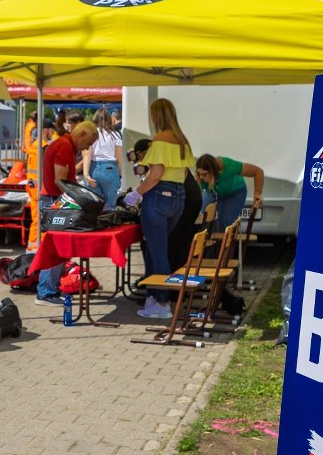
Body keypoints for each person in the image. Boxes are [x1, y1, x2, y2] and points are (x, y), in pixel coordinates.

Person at [122, 99, 196, 320]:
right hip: (178, 197)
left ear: (156, 116)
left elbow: (155, 175)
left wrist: (135, 194)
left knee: (157, 251)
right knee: (159, 248)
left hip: (158, 197)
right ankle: (153, 298)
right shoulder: (182, 141)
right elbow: (182, 174)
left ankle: (161, 303)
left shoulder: (160, 139)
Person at [35, 121, 98, 305]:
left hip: (54, 200)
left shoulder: (64, 145)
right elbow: (60, 180)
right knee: (56, 249)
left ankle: (49, 289)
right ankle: (46, 292)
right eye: (88, 142)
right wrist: (79, 197)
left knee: (58, 249)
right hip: (55, 201)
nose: (87, 147)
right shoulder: (63, 146)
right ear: (82, 134)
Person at [195, 154, 265, 233]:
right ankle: (201, 241)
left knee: (225, 223)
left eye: (204, 174)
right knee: (198, 216)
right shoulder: (201, 178)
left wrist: (257, 193)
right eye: (199, 173)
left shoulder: (228, 165)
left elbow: (258, 171)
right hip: (213, 191)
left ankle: (222, 243)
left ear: (214, 171)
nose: (201, 177)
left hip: (235, 192)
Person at [24, 118, 55, 252]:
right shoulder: (43, 146)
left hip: (32, 186)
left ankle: (32, 248)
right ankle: (35, 249)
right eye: (51, 131)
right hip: (39, 188)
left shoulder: (34, 145)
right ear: (45, 130)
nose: (52, 133)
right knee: (40, 220)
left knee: (36, 219)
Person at [82, 108, 123, 211]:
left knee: (96, 204)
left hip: (94, 168)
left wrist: (86, 174)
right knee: (109, 205)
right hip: (110, 169)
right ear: (109, 119)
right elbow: (119, 158)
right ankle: (108, 223)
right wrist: (120, 174)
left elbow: (87, 154)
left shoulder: (91, 134)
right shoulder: (115, 134)